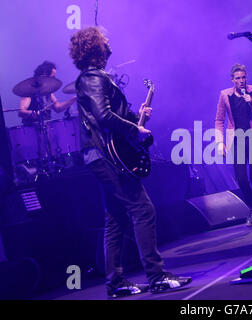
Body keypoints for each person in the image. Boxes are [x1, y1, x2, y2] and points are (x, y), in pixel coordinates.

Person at [69, 26, 191, 298]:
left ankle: (116, 282)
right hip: (105, 156)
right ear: (95, 47)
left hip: (102, 155)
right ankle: (157, 276)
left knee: (115, 218)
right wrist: (135, 130)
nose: (109, 42)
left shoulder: (97, 78)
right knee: (143, 209)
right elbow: (103, 115)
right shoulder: (91, 78)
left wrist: (137, 116)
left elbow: (113, 114)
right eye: (105, 39)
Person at [215, 63, 252, 229]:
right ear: (232, 80)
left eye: (243, 77)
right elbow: (219, 120)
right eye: (238, 78)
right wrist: (219, 142)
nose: (241, 81)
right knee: (241, 178)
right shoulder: (225, 95)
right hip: (236, 140)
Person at [18, 61, 76, 125]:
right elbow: (21, 112)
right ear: (44, 74)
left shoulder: (48, 92)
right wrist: (32, 113)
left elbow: (58, 108)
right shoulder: (30, 91)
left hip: (47, 127)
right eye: (53, 76)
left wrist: (74, 99)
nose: (54, 78)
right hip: (32, 129)